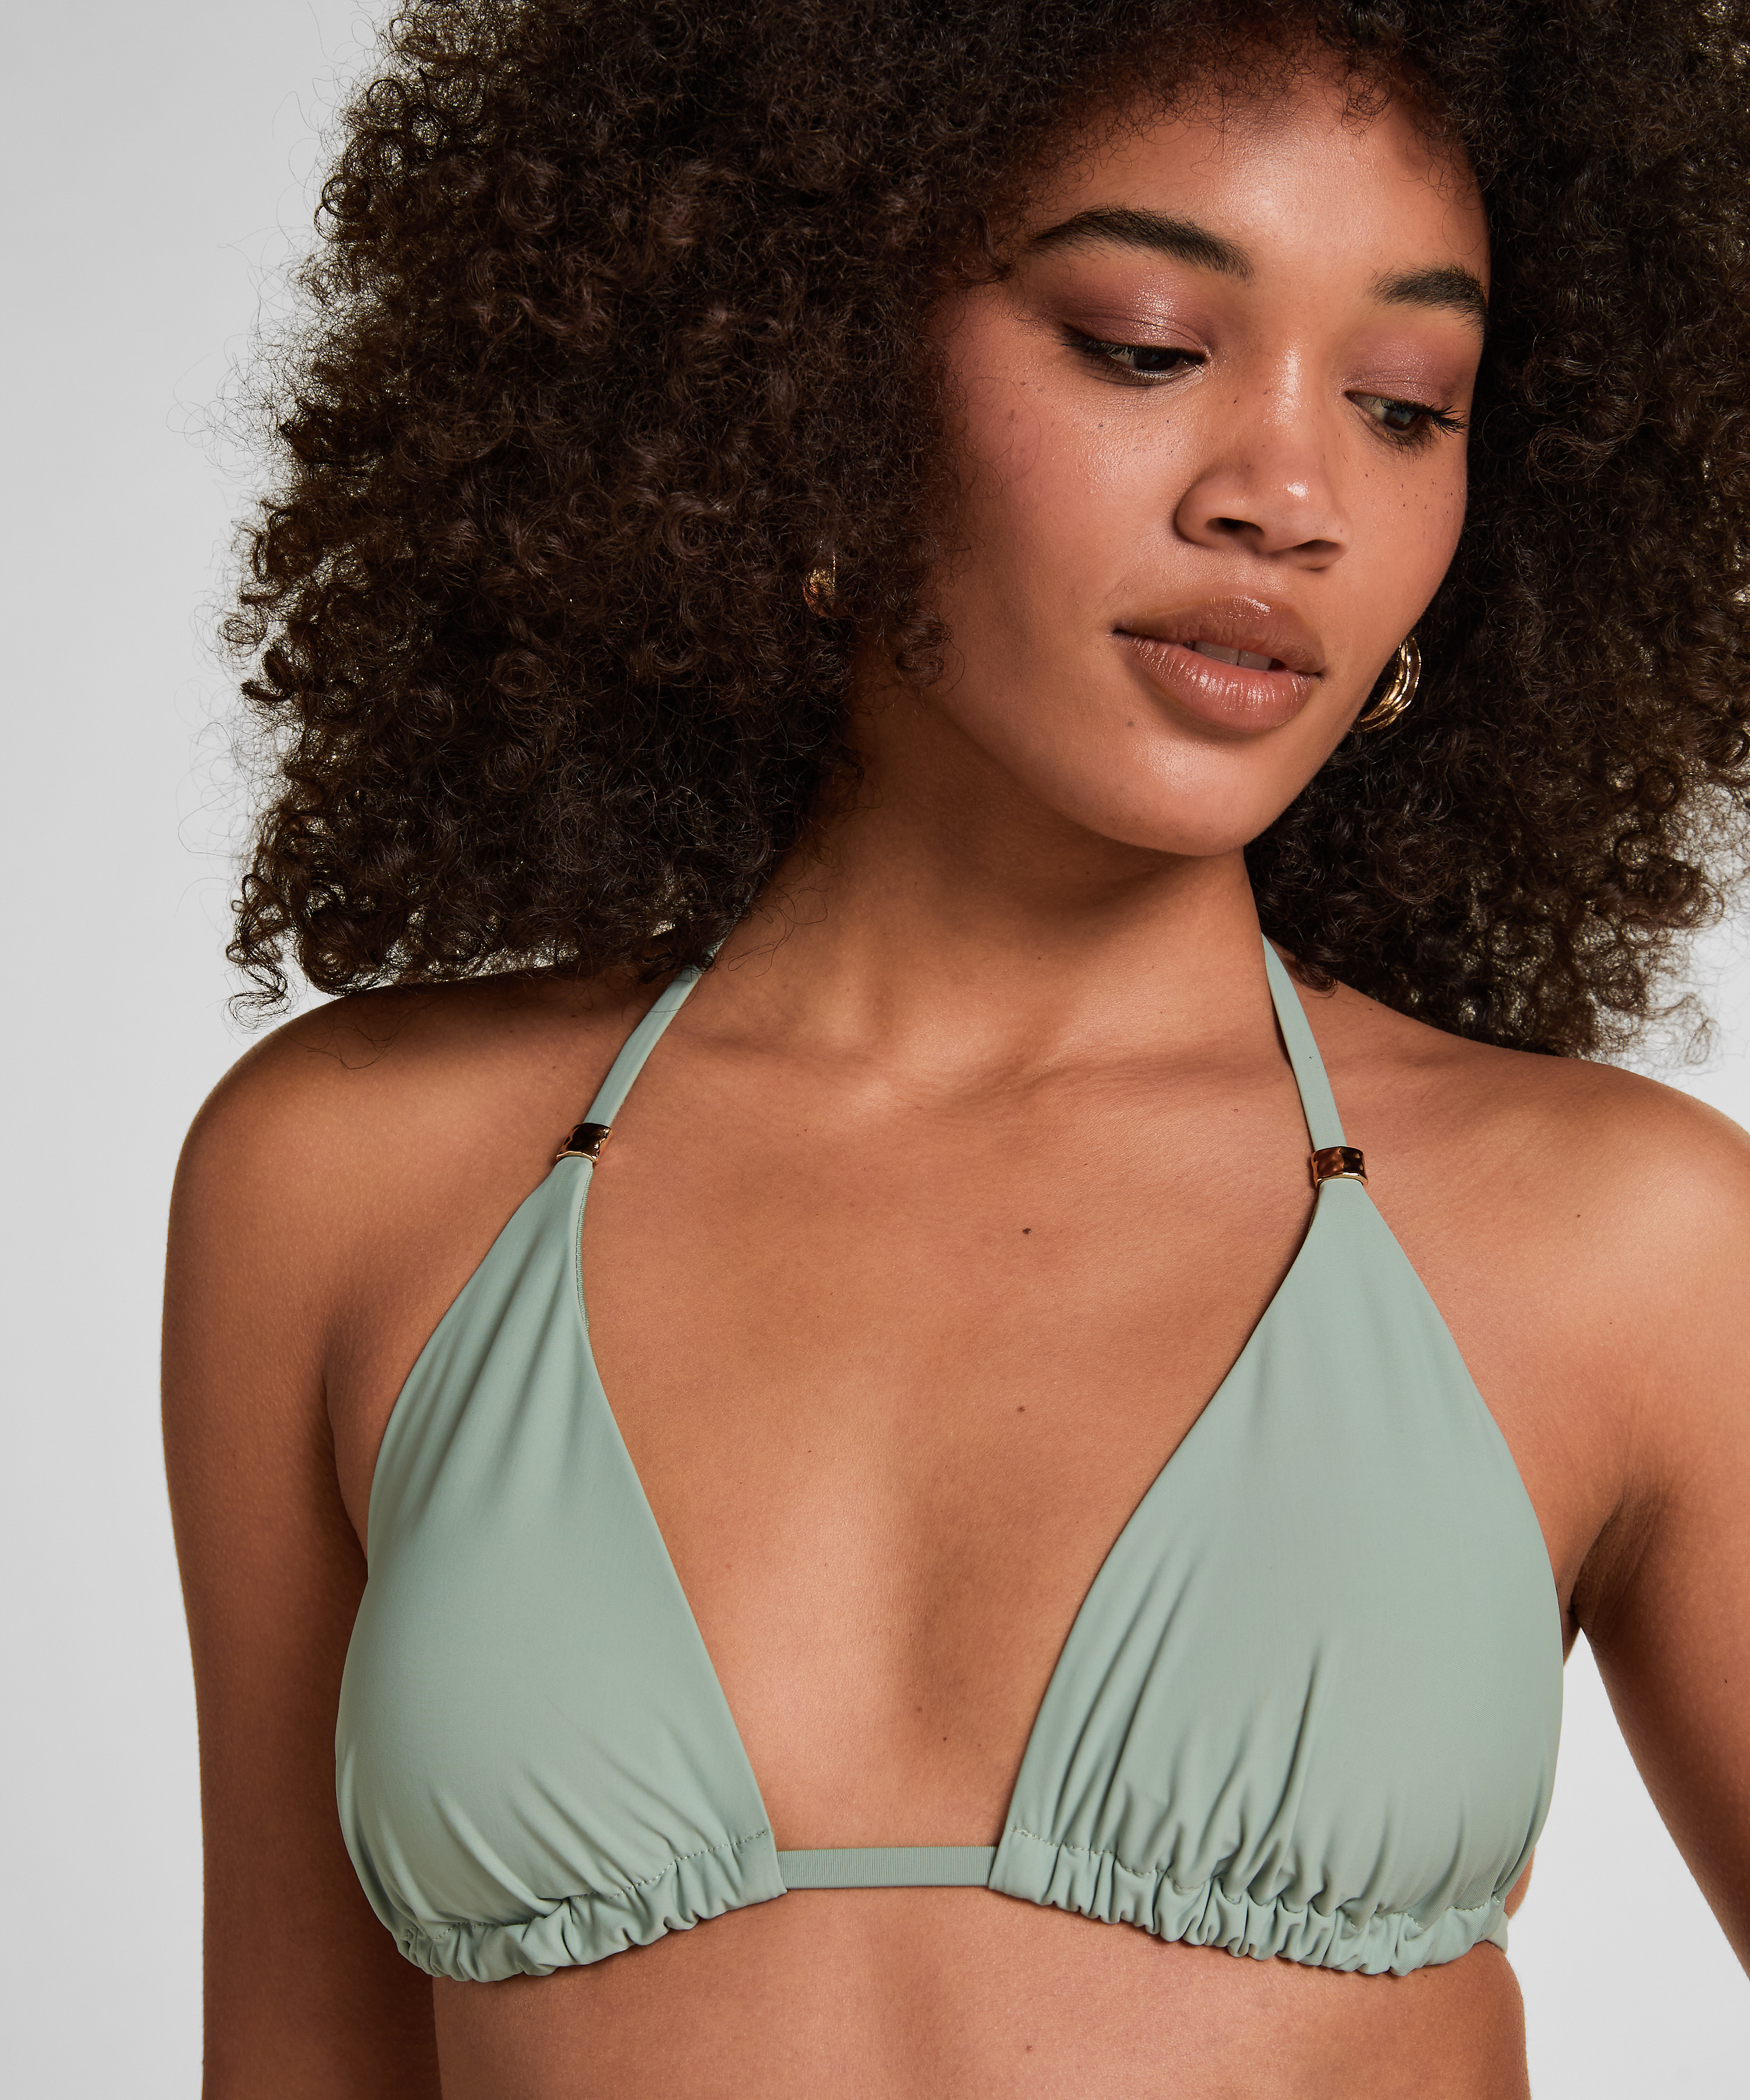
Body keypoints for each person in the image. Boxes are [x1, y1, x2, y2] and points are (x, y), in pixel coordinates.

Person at [162, 1, 1750, 2093]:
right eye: (1142, 346)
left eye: (1401, 403)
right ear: (795, 356)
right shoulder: (355, 1176)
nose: (1290, 496)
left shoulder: (1622, 1241)